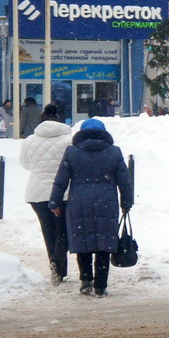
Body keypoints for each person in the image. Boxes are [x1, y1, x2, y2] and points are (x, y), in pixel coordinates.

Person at [49, 118, 133, 298]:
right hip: (106, 203)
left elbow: (61, 180)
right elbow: (125, 182)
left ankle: (86, 281)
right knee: (104, 243)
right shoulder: (114, 152)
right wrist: (126, 203)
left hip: (79, 202)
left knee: (83, 242)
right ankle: (100, 286)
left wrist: (54, 202)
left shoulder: (72, 152)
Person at [19, 104, 73, 285]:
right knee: (63, 231)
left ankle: (55, 265)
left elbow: (25, 164)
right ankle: (58, 264)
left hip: (36, 193)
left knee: (48, 230)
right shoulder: (69, 139)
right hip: (62, 192)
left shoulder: (29, 140)